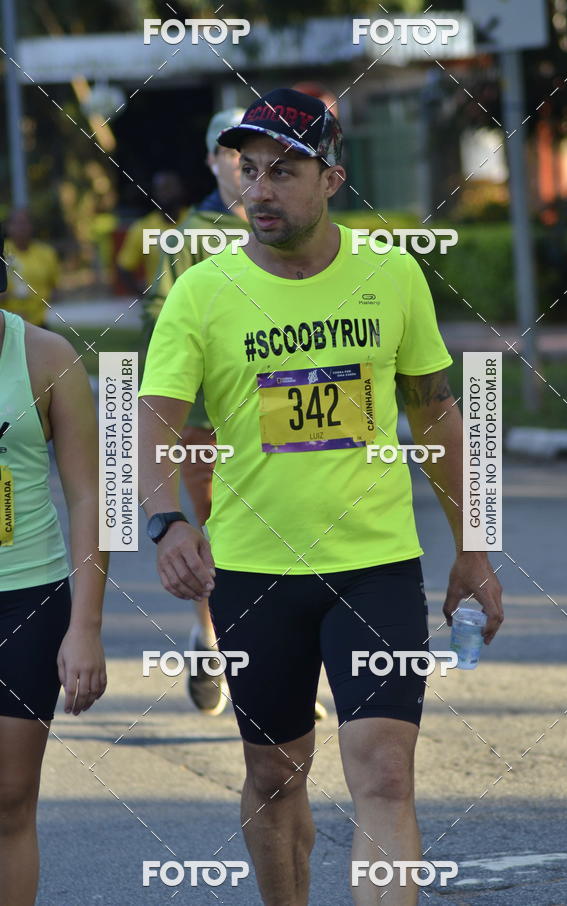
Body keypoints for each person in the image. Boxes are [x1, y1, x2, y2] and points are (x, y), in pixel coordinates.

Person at [138, 87, 503, 906]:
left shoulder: (391, 274)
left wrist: (474, 548)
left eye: (283, 172)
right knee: (275, 775)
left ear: (332, 177)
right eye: (248, 170)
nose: (258, 190)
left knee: (384, 772)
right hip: (255, 571)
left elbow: (438, 416)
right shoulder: (203, 293)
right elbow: (149, 425)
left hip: (375, 564)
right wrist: (165, 523)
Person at [144, 108, 328, 719]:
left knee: (295, 536)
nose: (247, 174)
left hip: (283, 409)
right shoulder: (189, 237)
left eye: (272, 165)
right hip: (206, 422)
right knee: (223, 537)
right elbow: (162, 325)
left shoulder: (296, 227)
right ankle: (213, 638)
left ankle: (291, 670)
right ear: (214, 162)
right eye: (237, 160)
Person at [0, 307, 107, 906]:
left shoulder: (46, 356)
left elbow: (93, 495)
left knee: (10, 799)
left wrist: (85, 626)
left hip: (26, 603)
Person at [116, 171, 186, 296]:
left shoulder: (196, 221)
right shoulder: (143, 227)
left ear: (180, 190)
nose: (167, 194)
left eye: (170, 188)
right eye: (162, 189)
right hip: (160, 308)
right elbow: (124, 267)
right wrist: (143, 296)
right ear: (156, 193)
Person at [2, 210, 59, 328]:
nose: (21, 228)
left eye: (24, 223)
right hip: (6, 324)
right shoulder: (2, 252)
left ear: (31, 226)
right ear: (8, 227)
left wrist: (40, 299)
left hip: (38, 323)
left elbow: (55, 287)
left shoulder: (46, 253)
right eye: (16, 223)